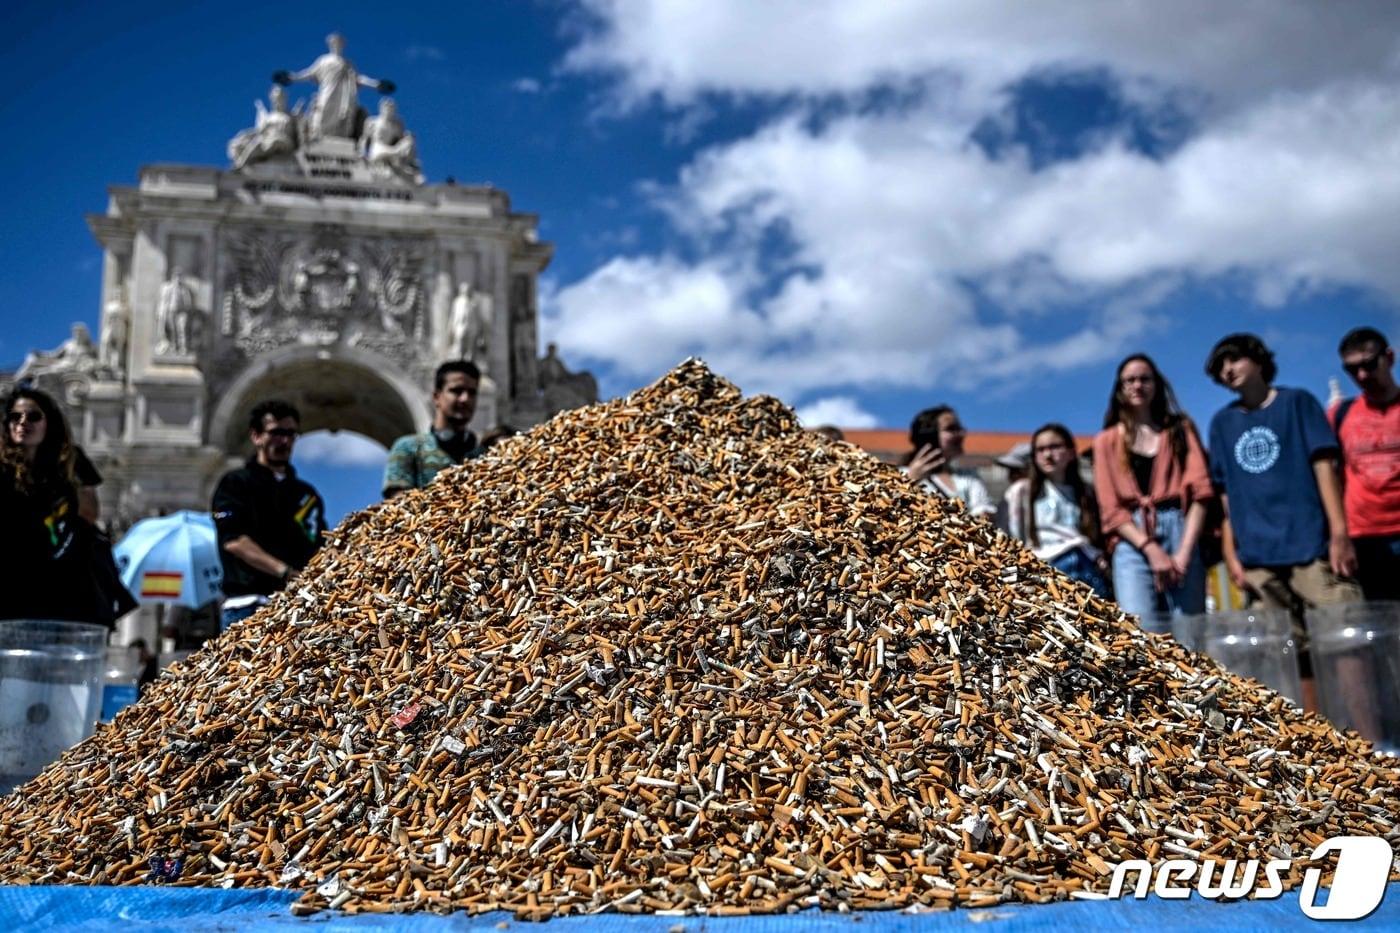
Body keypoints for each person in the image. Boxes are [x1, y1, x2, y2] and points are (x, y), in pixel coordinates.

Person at [1205, 334, 1361, 697]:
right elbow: (1226, 497)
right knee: (1287, 655)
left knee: (1345, 640)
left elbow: (1325, 468)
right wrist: (1232, 554)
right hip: (1259, 559)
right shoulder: (1222, 423)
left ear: (1259, 360)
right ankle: (1314, 729)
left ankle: (1364, 727)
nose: (1228, 370)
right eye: (1220, 366)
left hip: (1312, 547)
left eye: (1235, 359)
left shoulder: (1297, 403)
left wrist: (1340, 533)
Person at [1093, 354, 1214, 628]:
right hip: (1132, 536)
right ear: (1120, 388)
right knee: (1141, 628)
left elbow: (1201, 492)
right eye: (1130, 380)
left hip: (1181, 528)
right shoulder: (1106, 441)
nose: (1137, 385)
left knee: (1190, 629)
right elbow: (1110, 509)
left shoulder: (1180, 429)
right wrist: (1151, 550)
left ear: (1157, 384)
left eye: (1144, 379)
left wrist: (1184, 553)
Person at [0, 387, 132, 623]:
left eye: (33, 416)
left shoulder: (72, 460)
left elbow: (90, 513)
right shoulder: (2, 465)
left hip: (64, 576)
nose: (22, 423)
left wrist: (69, 474)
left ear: (49, 423)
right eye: (15, 417)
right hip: (12, 575)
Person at [212, 400, 326, 630]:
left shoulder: (306, 495)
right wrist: (285, 572)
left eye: (290, 434)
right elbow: (233, 541)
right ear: (256, 436)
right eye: (276, 433)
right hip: (248, 605)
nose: (284, 441)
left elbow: (320, 543)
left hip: (297, 606)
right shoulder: (235, 484)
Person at [1330, 327, 1400, 601]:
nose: (1361, 375)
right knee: (1380, 620)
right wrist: (1339, 536)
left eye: (1369, 365)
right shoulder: (1340, 414)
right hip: (1364, 537)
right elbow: (1329, 477)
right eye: (1352, 369)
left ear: (1389, 358)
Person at [1006, 424, 1110, 598]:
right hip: (1046, 567)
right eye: (1040, 449)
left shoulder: (1086, 492)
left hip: (1086, 565)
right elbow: (1012, 537)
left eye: (1055, 447)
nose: (1048, 454)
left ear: (1071, 452)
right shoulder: (1022, 492)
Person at [383, 361, 483, 497]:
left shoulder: (484, 453)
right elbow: (398, 502)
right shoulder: (407, 447)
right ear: (436, 397)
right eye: (456, 391)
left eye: (472, 393)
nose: (465, 399)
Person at [904, 406, 995, 519]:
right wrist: (909, 481)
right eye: (951, 429)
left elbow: (983, 511)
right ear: (930, 436)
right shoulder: (902, 475)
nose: (961, 434)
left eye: (959, 428)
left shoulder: (968, 476)